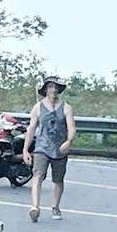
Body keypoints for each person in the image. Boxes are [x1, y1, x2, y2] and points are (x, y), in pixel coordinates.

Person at [26, 75, 75, 222]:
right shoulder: (38, 107)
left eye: (55, 87)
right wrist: (25, 149)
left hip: (59, 148)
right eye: (50, 87)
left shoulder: (66, 108)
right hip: (42, 147)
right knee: (37, 175)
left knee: (58, 180)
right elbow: (31, 128)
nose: (53, 90)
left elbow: (72, 127)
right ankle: (35, 207)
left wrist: (68, 141)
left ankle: (55, 206)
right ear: (45, 89)